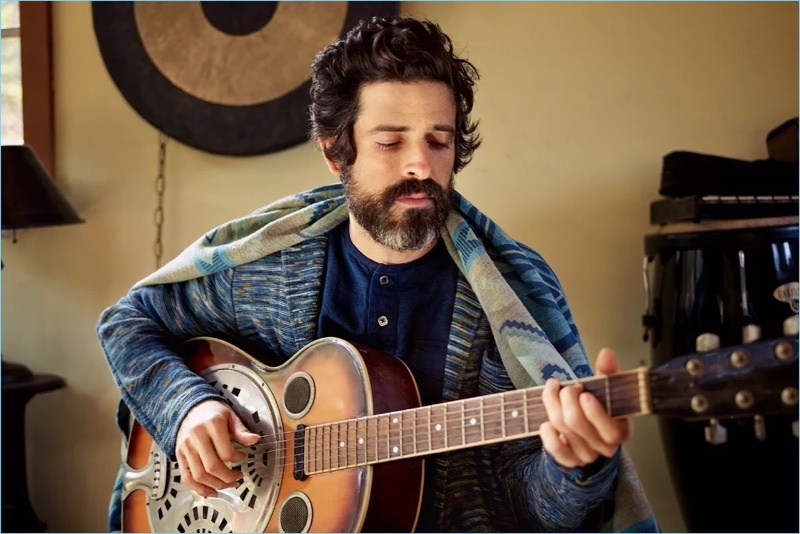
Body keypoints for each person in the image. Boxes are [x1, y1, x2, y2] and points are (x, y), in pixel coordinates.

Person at [98, 15, 658, 533]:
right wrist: (187, 407)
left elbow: (533, 507)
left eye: (439, 142)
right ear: (336, 154)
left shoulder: (510, 296)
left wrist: (577, 465)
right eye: (391, 142)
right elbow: (126, 323)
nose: (420, 165)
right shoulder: (266, 268)